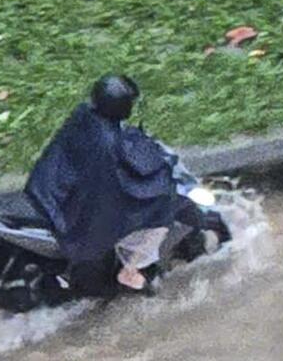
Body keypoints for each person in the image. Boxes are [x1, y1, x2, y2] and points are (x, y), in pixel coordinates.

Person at [24, 75, 182, 293]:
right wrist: (159, 186)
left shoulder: (84, 115)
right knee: (158, 213)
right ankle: (130, 270)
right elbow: (119, 185)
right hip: (75, 207)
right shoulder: (107, 145)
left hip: (50, 188)